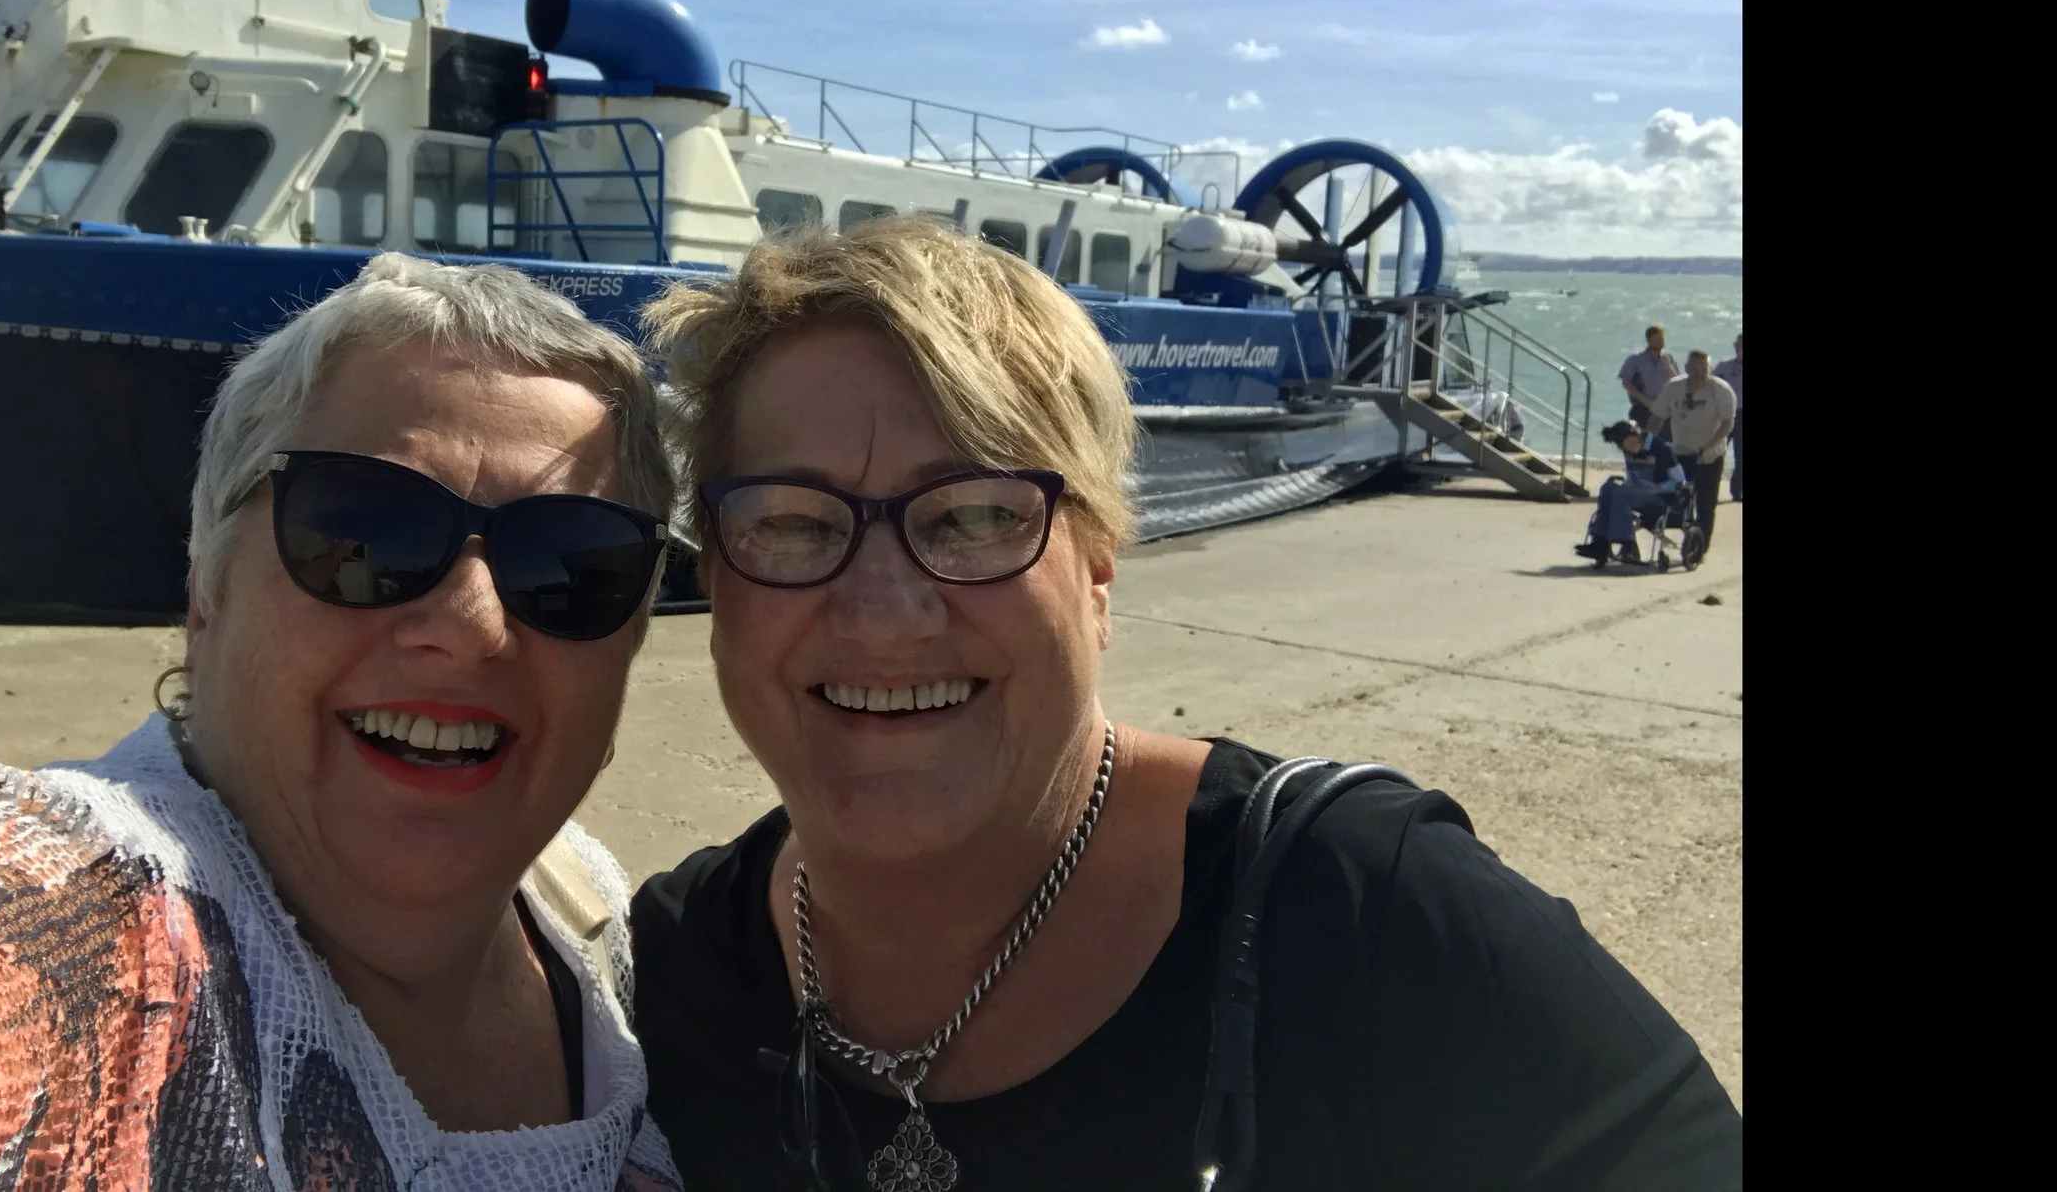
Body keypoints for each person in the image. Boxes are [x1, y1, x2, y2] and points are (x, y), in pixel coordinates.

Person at [628, 217, 1742, 1192]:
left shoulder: (1366, 921)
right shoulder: (665, 979)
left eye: (973, 515)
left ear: (1098, 566)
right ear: (715, 576)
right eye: (792, 522)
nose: (882, 614)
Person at [0, 254, 685, 1190]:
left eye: (571, 565)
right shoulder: (77, 915)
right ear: (207, 591)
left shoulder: (587, 910)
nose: (470, 628)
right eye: (366, 535)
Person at [1650, 350, 1738, 558]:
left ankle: (1700, 548)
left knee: (1706, 504)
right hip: (1681, 452)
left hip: (1710, 455)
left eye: (1703, 369)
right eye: (1694, 368)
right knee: (1681, 500)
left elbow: (1728, 423)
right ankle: (1689, 539)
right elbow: (1657, 417)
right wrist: (1648, 442)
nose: (1698, 373)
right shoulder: (1674, 387)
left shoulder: (1721, 390)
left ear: (1710, 368)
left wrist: (1709, 445)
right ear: (1687, 368)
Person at [1577, 420, 1688, 565]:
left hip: (1660, 498)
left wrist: (1659, 488)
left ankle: (1627, 545)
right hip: (1636, 493)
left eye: (1628, 442)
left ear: (1636, 436)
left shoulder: (1661, 449)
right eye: (1623, 445)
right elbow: (1632, 475)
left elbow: (1679, 480)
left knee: (1621, 494)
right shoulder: (1628, 450)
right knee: (1607, 488)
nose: (1627, 448)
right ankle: (1600, 543)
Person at [1617, 324, 1679, 425]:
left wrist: (1669, 367)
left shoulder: (1669, 359)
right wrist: (1644, 399)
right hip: (1643, 408)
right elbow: (1626, 383)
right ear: (1649, 340)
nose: (1661, 342)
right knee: (1644, 434)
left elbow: (1678, 383)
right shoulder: (1636, 360)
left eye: (1662, 339)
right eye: (1657, 339)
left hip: (1665, 409)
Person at [1712, 334, 1742, 501]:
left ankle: (1737, 492)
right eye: (1738, 345)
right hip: (1724, 414)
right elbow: (1709, 384)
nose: (1740, 348)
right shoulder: (1725, 365)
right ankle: (1711, 491)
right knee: (1716, 453)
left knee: (1741, 457)